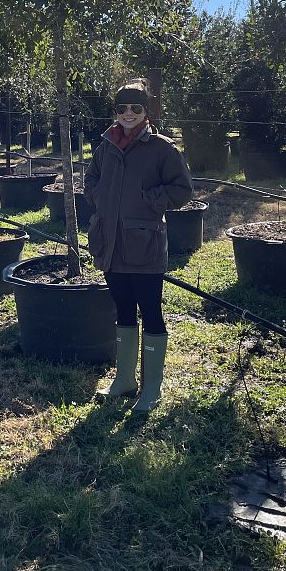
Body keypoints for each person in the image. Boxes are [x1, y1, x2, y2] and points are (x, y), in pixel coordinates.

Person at [83, 79, 193, 413]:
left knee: (151, 312)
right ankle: (125, 380)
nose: (128, 114)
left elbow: (182, 190)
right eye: (122, 108)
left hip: (144, 244)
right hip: (111, 243)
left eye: (135, 108)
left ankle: (151, 388)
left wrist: (149, 200)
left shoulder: (162, 148)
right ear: (115, 111)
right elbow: (91, 179)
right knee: (123, 309)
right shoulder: (106, 145)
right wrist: (100, 198)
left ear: (146, 111)